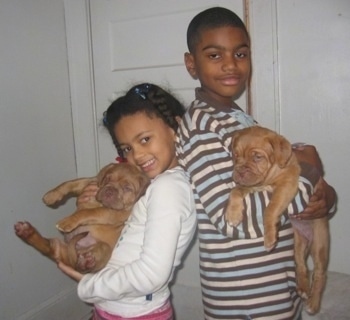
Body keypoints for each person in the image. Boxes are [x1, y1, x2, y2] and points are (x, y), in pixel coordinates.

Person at [175, 7, 336, 320]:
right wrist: (309, 172)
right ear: (191, 64)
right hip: (246, 294)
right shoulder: (201, 127)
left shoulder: (238, 119)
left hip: (273, 280)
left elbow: (276, 177)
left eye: (240, 53)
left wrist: (323, 196)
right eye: (214, 55)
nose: (231, 65)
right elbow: (233, 218)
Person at [59, 83, 197, 320]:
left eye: (144, 140)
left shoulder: (167, 188)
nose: (137, 156)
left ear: (175, 128)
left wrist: (89, 285)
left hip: (134, 313)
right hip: (123, 308)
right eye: (127, 148)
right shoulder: (160, 183)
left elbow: (151, 275)